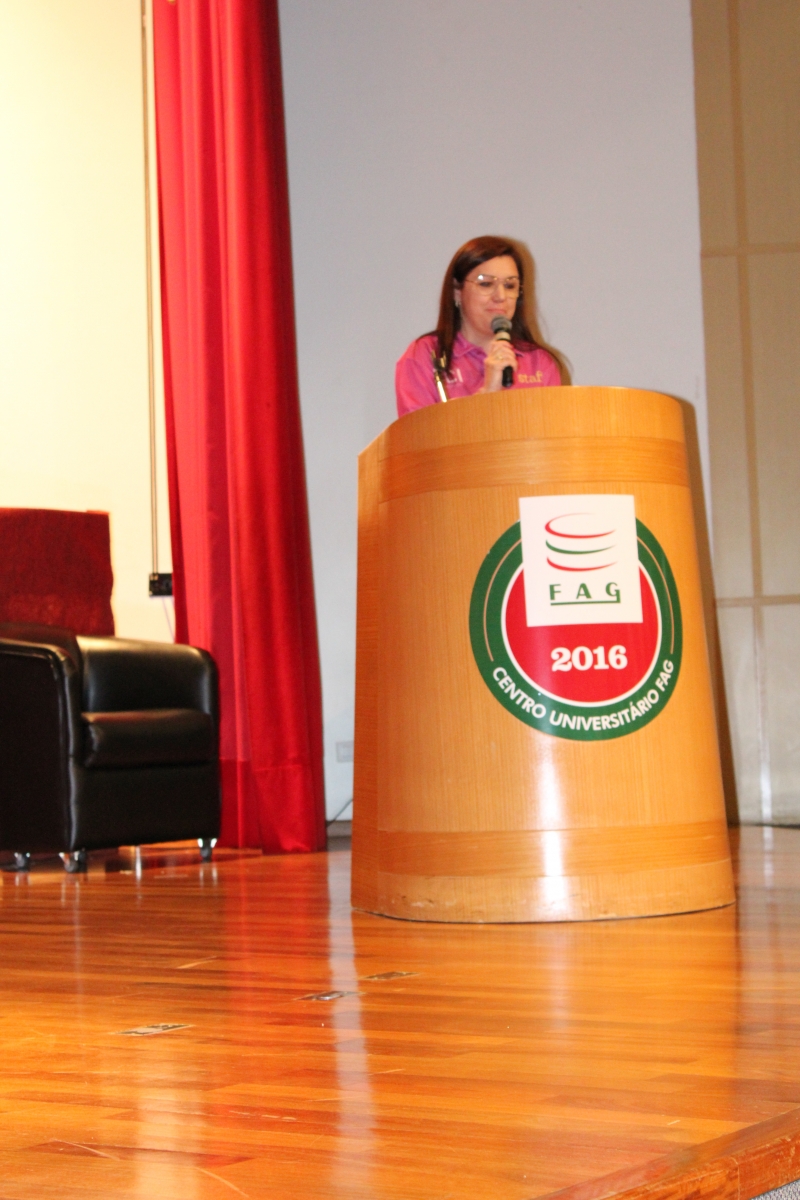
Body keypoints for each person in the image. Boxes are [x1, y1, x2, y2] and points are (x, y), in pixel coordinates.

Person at [395, 235, 563, 417]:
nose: (500, 296)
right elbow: (417, 433)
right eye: (486, 284)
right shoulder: (425, 355)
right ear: (457, 291)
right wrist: (488, 392)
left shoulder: (539, 362)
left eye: (510, 285)